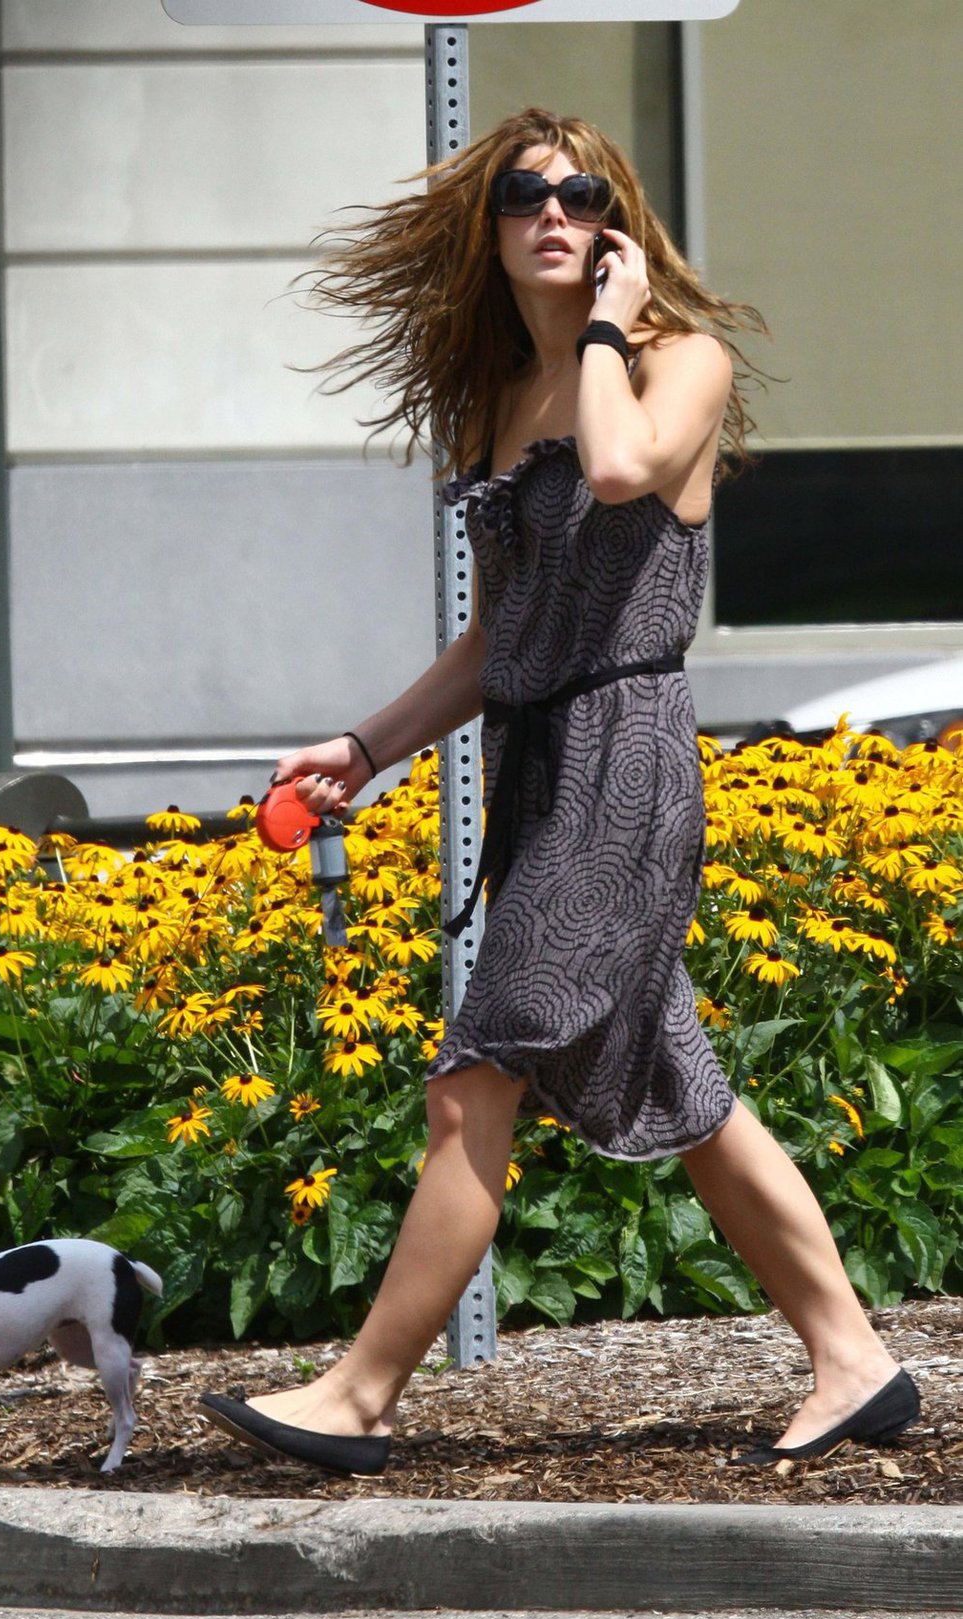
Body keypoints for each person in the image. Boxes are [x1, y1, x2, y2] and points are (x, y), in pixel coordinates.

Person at [198, 109, 919, 1477]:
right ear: (492, 228)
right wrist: (367, 746)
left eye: (580, 192)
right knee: (685, 1093)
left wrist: (603, 332)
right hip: (545, 760)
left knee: (477, 1074)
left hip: (628, 758)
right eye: (524, 193)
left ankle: (358, 1395)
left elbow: (619, 468)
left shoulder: (675, 364)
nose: (552, 211)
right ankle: (856, 1360)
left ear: (617, 219)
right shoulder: (493, 400)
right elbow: (501, 635)